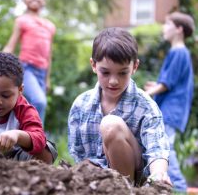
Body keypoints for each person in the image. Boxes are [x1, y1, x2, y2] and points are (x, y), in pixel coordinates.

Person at [68, 27, 171, 186]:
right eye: (106, 72)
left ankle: (124, 190)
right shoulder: (80, 105)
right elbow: (78, 155)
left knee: (111, 125)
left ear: (134, 67)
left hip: (133, 178)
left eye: (122, 73)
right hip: (95, 176)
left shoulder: (145, 106)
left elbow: (157, 149)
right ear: (94, 65)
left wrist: (159, 173)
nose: (113, 81)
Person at [144, 11, 195, 192]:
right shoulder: (177, 52)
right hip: (170, 108)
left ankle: (179, 186)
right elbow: (168, 82)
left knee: (164, 147)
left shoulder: (179, 52)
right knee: (161, 146)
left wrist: (149, 92)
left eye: (167, 24)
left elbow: (168, 83)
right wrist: (155, 86)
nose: (164, 28)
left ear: (179, 29)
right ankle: (162, 185)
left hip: (171, 109)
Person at [3, 0, 56, 124]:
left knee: (33, 106)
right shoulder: (22, 20)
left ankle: (30, 138)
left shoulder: (50, 26)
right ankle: (36, 137)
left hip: (42, 72)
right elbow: (11, 46)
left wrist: (47, 78)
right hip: (26, 69)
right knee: (39, 101)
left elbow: (48, 54)